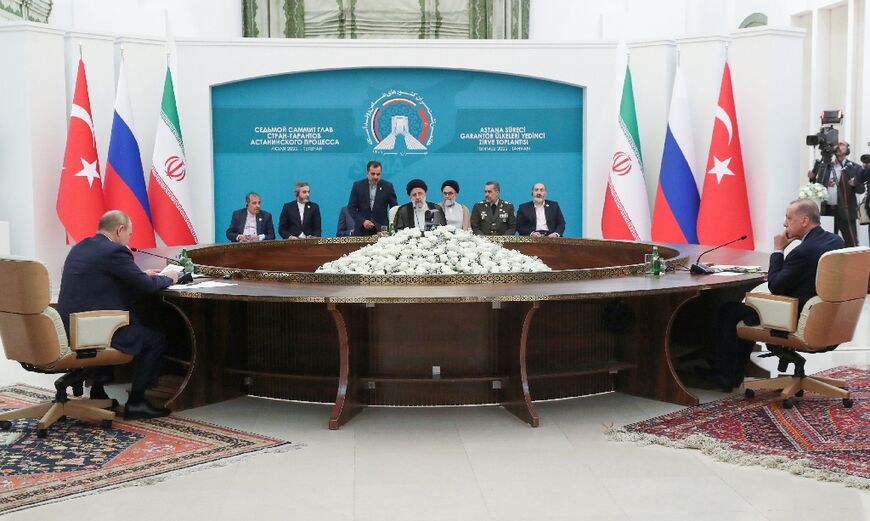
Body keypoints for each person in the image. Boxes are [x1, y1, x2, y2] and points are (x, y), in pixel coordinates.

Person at [700, 199, 844, 391]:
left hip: (793, 317)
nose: (785, 223)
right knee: (743, 310)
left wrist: (778, 249)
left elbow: (775, 285)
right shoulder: (836, 241)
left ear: (804, 221)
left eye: (789, 218)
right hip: (826, 319)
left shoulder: (803, 252)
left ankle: (725, 374)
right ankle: (733, 373)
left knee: (730, 310)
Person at [56, 210, 180, 419]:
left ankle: (98, 390)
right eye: (129, 235)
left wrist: (140, 275)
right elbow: (147, 287)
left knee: (125, 321)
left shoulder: (80, 247)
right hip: (93, 330)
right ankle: (137, 402)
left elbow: (103, 281)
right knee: (153, 339)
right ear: (120, 229)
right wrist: (170, 277)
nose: (128, 240)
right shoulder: (114, 251)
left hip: (70, 328)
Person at [808, 140, 865, 246]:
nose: (838, 146)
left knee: (851, 243)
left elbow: (861, 190)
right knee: (826, 243)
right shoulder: (826, 167)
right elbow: (818, 186)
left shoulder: (854, 167)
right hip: (828, 211)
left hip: (846, 212)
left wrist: (855, 183)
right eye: (836, 144)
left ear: (848, 149)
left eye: (842, 144)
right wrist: (813, 178)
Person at [347, 160, 397, 236]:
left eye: (378, 174)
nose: (375, 177)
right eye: (373, 174)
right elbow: (351, 208)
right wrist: (363, 221)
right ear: (367, 173)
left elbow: (394, 209)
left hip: (382, 231)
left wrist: (390, 227)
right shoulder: (357, 186)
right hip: (361, 230)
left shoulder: (388, 187)